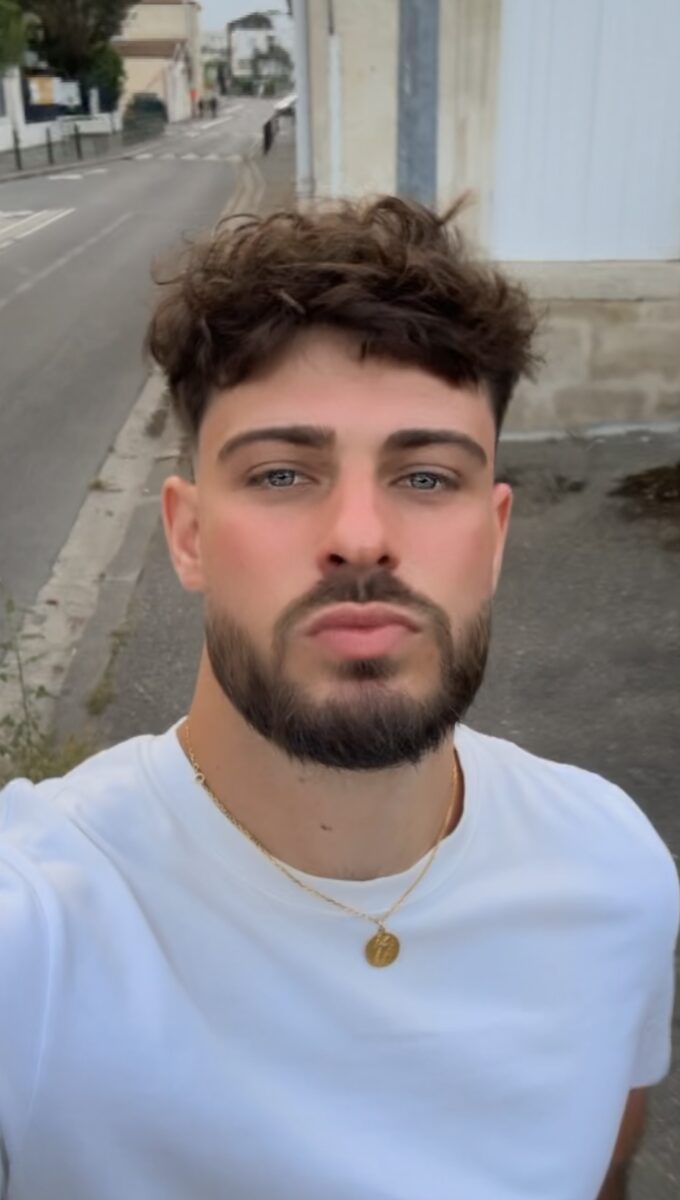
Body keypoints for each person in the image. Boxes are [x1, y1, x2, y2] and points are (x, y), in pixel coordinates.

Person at [0, 197, 677, 1200]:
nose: (360, 537)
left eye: (426, 478)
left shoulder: (615, 870)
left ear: (493, 537)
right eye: (281, 473)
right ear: (187, 536)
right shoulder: (34, 929)